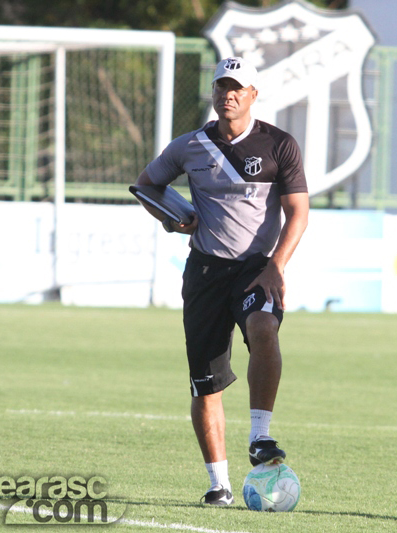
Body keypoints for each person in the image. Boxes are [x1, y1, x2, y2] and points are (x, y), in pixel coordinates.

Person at [133, 57, 309, 506]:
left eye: (237, 88)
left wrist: (277, 266)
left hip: (256, 268)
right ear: (212, 94)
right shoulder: (189, 145)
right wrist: (174, 216)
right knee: (205, 382)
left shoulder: (279, 144)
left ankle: (260, 436)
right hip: (206, 271)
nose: (227, 95)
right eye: (220, 87)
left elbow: (299, 213)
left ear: (253, 95)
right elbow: (145, 184)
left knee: (264, 330)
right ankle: (219, 484)